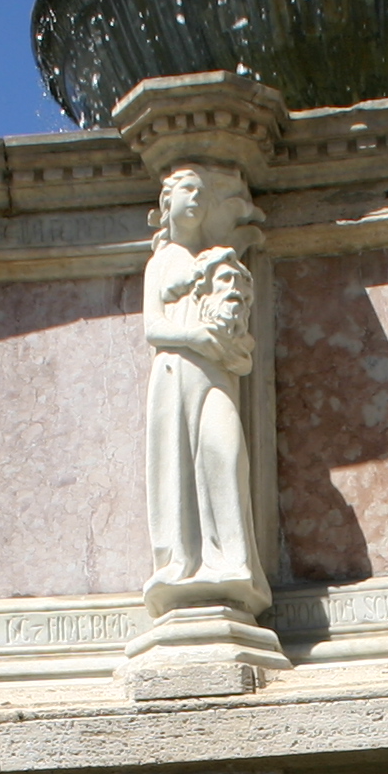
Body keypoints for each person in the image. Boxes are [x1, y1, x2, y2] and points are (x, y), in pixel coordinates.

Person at [142, 165, 265, 615]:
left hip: (214, 372)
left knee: (225, 450)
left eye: (201, 192)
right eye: (187, 191)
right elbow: (153, 328)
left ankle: (232, 560)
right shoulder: (161, 261)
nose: (196, 199)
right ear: (167, 203)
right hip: (176, 370)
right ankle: (183, 563)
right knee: (177, 465)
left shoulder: (217, 257)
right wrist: (193, 336)